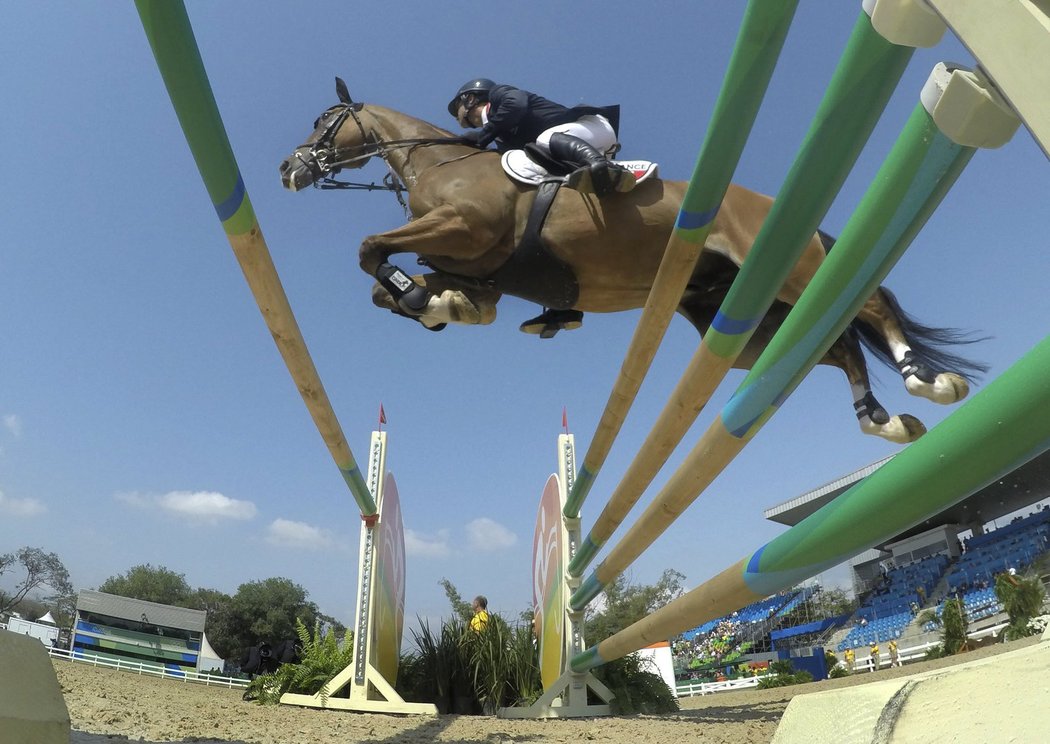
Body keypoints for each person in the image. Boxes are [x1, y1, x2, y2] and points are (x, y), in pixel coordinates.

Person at [448, 78, 636, 197]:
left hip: (592, 128)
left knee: (545, 139)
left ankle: (600, 165)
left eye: (457, 108)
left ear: (469, 98)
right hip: (575, 148)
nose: (457, 117)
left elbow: (516, 105)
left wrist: (483, 136)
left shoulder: (499, 94)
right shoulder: (501, 138)